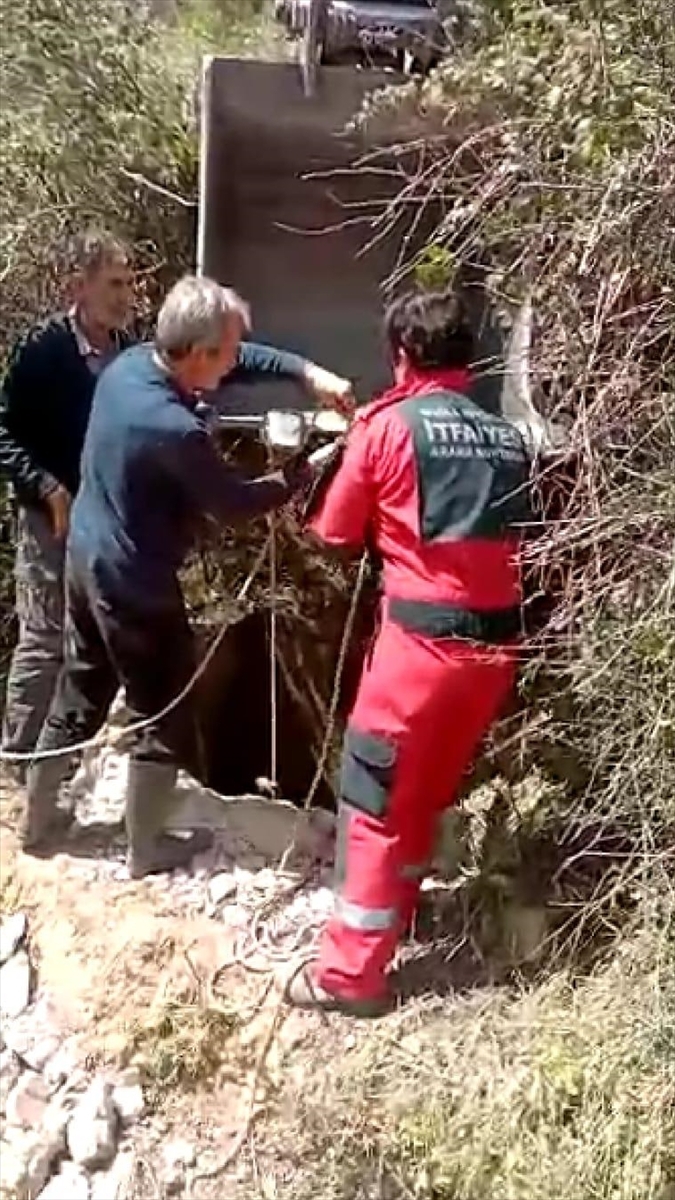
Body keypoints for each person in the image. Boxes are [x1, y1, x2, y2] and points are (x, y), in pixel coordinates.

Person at [22, 276, 343, 877]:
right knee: (163, 712)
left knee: (81, 689)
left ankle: (38, 822)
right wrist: (305, 474)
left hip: (86, 561)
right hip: (133, 587)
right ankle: (148, 849)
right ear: (197, 353)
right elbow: (235, 503)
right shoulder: (172, 427)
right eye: (224, 352)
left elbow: (237, 358)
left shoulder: (131, 366)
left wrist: (306, 373)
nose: (233, 362)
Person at [287, 288, 533, 1017]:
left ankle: (350, 976)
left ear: (400, 355)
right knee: (420, 791)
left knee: (372, 797)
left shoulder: (387, 427)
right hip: (495, 653)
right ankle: (396, 920)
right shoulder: (504, 435)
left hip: (418, 652)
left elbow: (332, 532)